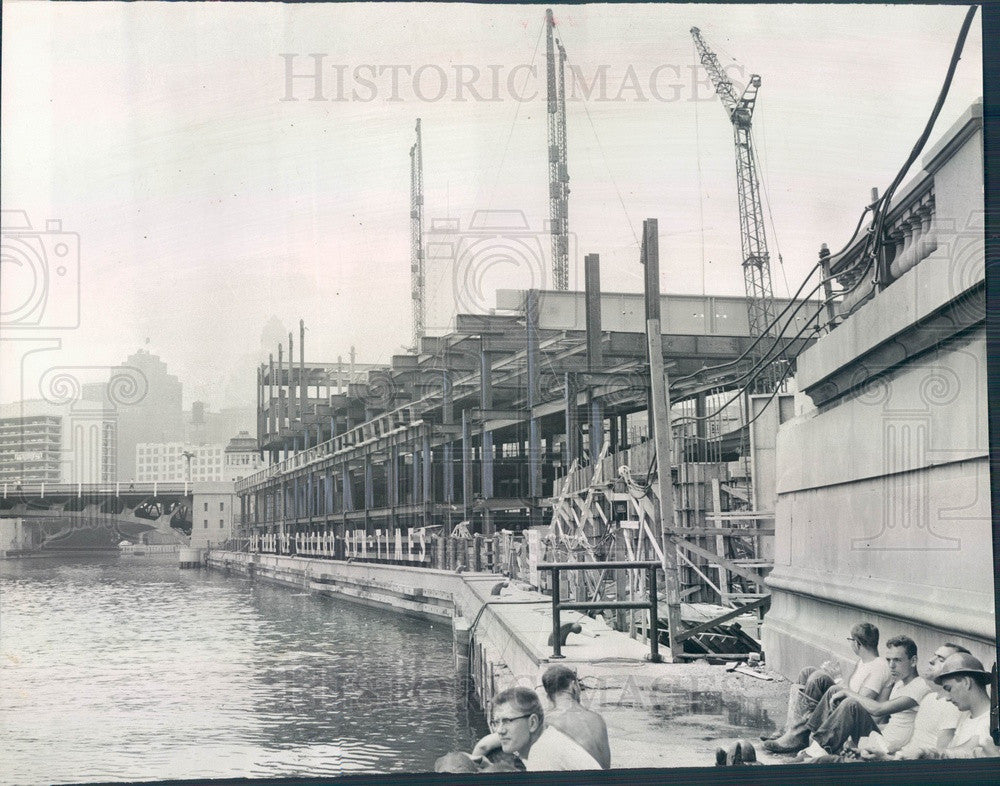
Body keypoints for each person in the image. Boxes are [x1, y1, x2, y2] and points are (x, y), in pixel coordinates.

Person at [764, 622, 892, 753]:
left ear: (857, 643)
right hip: (848, 705)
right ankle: (793, 729)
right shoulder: (862, 662)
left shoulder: (878, 667)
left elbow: (860, 703)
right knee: (808, 672)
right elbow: (849, 689)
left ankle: (798, 735)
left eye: (850, 640)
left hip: (861, 719)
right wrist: (837, 678)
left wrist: (838, 683)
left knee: (822, 680)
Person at [802, 635, 930, 757]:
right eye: (889, 660)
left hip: (887, 749)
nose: (891, 665)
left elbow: (878, 710)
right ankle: (808, 740)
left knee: (851, 704)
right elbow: (889, 722)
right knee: (836, 691)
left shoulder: (919, 686)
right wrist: (848, 728)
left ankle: (815, 751)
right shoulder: (899, 684)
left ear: (913, 661)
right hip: (882, 738)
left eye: (897, 660)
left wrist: (847, 692)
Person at [487, 686, 601, 771]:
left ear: (532, 722)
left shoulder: (542, 754)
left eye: (507, 721)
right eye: (496, 722)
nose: (499, 730)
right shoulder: (549, 737)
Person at [907, 652, 993, 759]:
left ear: (966, 682)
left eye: (949, 689)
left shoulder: (992, 722)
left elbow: (969, 748)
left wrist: (926, 753)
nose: (947, 698)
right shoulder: (968, 718)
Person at [540, 665, 611, 769]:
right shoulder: (597, 719)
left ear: (548, 694)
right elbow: (606, 766)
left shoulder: (545, 722)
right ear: (573, 685)